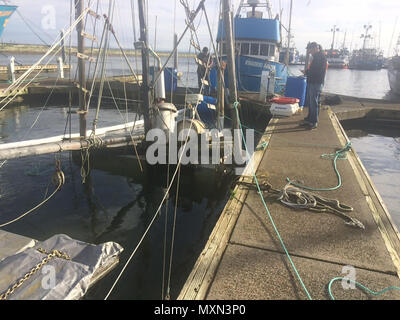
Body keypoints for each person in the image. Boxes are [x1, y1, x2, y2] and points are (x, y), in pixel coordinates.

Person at [301, 42, 327, 130]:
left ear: (316, 48)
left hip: (316, 83)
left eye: (310, 49)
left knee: (314, 102)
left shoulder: (320, 57)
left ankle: (314, 121)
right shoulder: (317, 57)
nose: (309, 51)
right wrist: (308, 72)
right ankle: (310, 118)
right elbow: (314, 69)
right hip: (313, 82)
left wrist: (306, 72)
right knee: (312, 101)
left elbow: (317, 71)